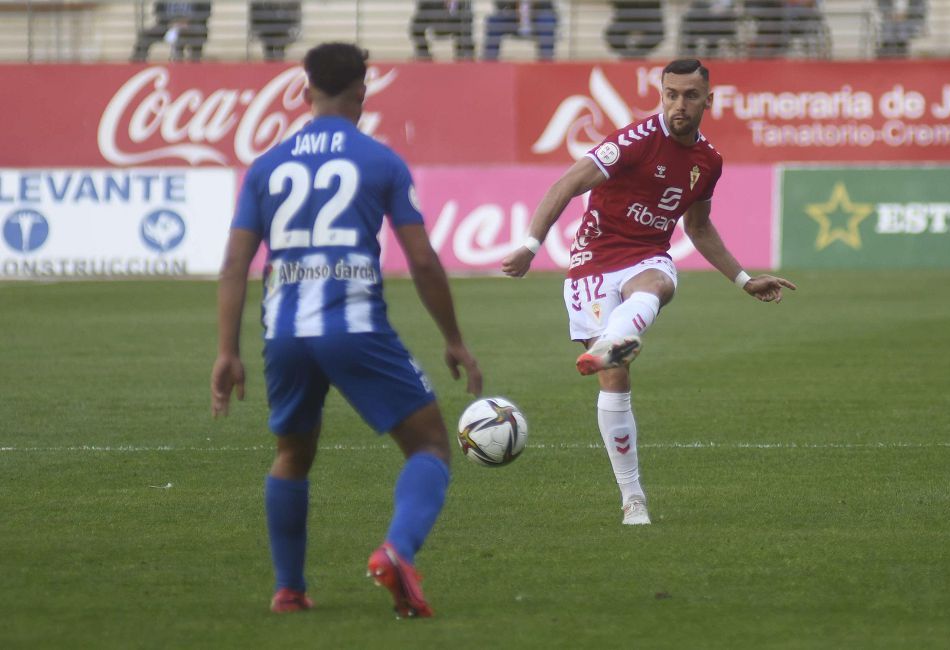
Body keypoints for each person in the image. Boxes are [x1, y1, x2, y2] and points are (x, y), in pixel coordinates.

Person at [210, 42, 483, 616]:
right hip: (353, 326)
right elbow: (425, 261)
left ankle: (289, 589)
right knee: (430, 443)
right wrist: (454, 339)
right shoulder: (380, 161)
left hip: (282, 332)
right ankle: (397, 551)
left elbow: (235, 263)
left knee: (292, 453)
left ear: (304, 90)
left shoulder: (265, 167)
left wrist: (226, 351)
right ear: (363, 90)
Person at [501, 59, 795, 526]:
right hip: (592, 265)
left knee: (660, 283)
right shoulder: (635, 142)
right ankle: (632, 493)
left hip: (646, 256)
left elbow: (697, 227)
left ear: (708, 101)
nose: (680, 104)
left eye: (690, 96)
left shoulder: (709, 161)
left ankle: (616, 346)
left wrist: (743, 279)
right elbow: (569, 182)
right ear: (661, 94)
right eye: (671, 94)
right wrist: (530, 245)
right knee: (615, 382)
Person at [130, 1, 211, 63]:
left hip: (191, 25)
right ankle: (137, 64)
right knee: (145, 35)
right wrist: (170, 22)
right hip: (167, 23)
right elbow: (158, 10)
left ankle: (191, 64)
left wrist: (188, 21)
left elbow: (205, 12)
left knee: (190, 34)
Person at [483, 1, 558, 61]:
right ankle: (490, 62)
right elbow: (499, 4)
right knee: (494, 21)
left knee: (547, 20)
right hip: (512, 15)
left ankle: (546, 63)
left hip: (538, 15)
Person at [410, 1, 475, 61]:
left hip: (454, 19)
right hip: (434, 16)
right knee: (416, 25)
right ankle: (423, 54)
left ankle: (463, 55)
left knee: (465, 19)